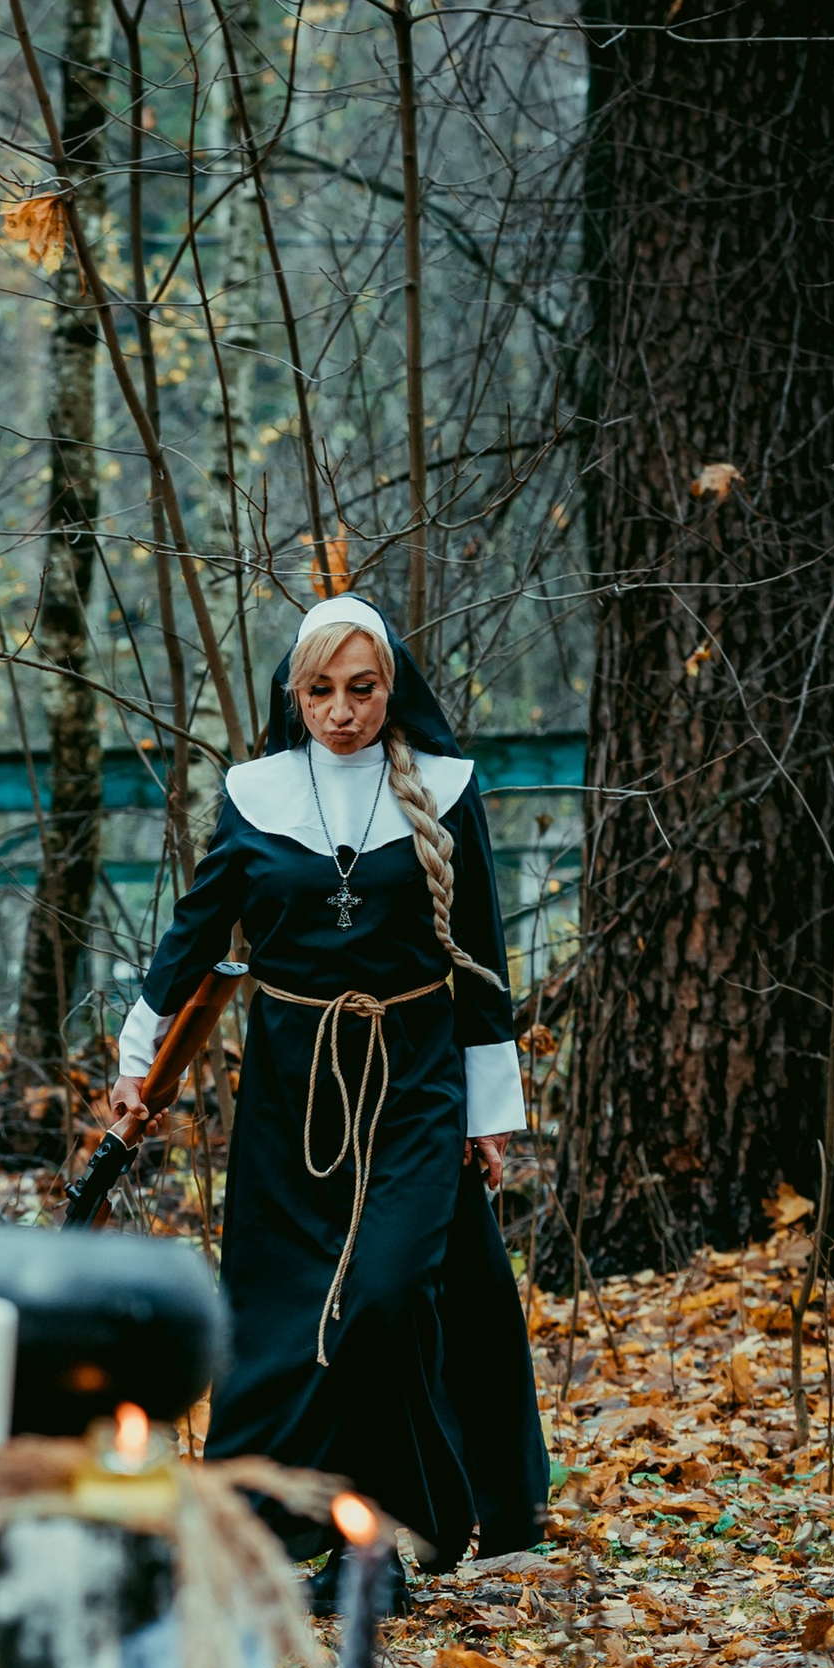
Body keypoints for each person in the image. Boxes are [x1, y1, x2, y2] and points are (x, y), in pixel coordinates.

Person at [106, 591, 548, 1582]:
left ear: (391, 688)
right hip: (290, 1091)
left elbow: (480, 955)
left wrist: (488, 1114)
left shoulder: (444, 786)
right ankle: (317, 1537)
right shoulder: (257, 793)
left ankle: (400, 1522)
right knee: (293, 1317)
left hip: (415, 1080)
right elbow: (192, 935)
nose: (341, 709)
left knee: (386, 1299)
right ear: (293, 692)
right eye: (321, 689)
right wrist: (137, 1057)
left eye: (362, 687)